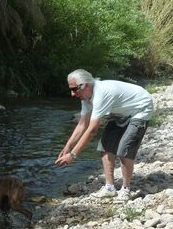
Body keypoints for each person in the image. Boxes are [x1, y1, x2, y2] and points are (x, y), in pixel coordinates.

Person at [55, 69, 153, 200]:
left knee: (124, 149)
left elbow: (92, 130)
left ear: (86, 85)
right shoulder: (86, 97)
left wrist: (73, 155)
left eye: (74, 89)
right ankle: (109, 188)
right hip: (121, 111)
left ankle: (126, 189)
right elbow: (82, 125)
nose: (72, 94)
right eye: (71, 89)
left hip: (140, 108)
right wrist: (67, 147)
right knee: (105, 146)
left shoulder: (101, 94)